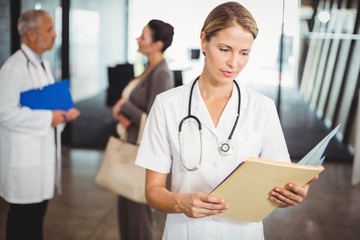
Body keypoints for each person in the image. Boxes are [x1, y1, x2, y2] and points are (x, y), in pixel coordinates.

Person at [135, 2, 319, 240]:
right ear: (204, 41)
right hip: (187, 233)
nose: (234, 63)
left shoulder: (262, 108)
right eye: (225, 49)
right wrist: (181, 202)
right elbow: (153, 192)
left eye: (244, 53)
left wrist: (290, 196)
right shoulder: (167, 105)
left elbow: (276, 189)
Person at [0, 9, 80, 240]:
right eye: (49, 29)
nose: (55, 34)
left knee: (35, 221)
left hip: (42, 159)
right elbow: (4, 113)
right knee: (22, 224)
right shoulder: (14, 68)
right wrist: (49, 118)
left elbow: (49, 107)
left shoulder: (42, 64)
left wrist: (62, 116)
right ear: (32, 35)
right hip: (24, 163)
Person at [111, 19, 174, 240]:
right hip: (131, 149)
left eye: (144, 36)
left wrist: (124, 106)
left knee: (138, 217)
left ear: (157, 44)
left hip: (142, 155)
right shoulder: (150, 68)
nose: (138, 38)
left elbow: (156, 121)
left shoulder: (162, 75)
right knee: (127, 213)